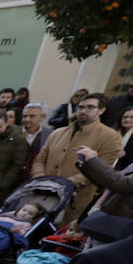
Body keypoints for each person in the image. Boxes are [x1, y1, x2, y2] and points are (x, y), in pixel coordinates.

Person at [31, 92, 124, 224]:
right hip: (43, 193)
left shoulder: (111, 136)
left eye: (90, 107)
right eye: (80, 107)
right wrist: (40, 179)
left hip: (75, 199)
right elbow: (40, 159)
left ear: (101, 110)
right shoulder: (58, 133)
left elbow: (102, 169)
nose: (83, 110)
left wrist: (64, 184)